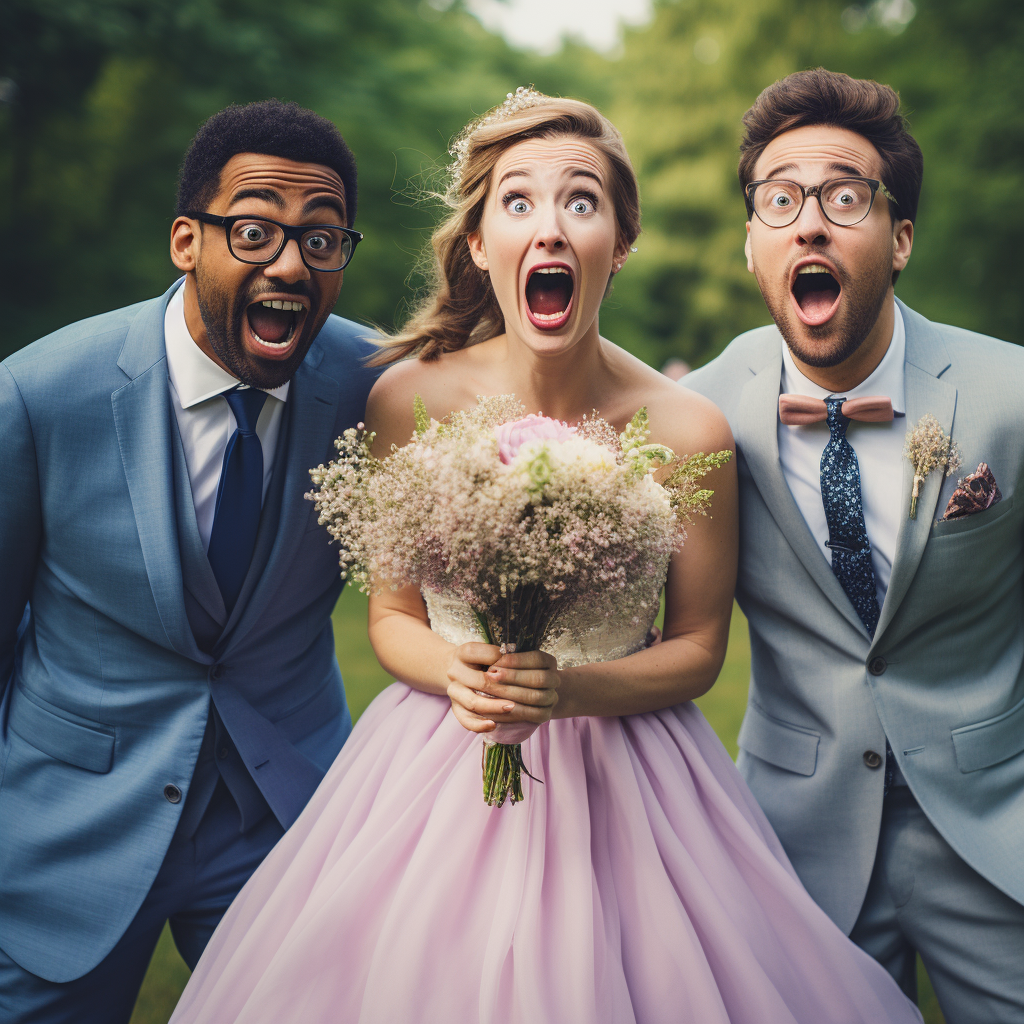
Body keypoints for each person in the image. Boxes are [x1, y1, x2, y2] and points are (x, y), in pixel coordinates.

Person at [170, 89, 919, 1024]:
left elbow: (696, 649)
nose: (551, 227)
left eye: (581, 201)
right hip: (434, 764)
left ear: (621, 238)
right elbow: (393, 620)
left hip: (636, 786)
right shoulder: (407, 398)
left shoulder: (689, 429)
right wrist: (467, 674)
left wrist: (566, 691)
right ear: (482, 245)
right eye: (517, 203)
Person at [0, 99, 379, 1022]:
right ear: (185, 241)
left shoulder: (378, 390)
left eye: (322, 239)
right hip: (71, 824)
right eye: (254, 231)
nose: (290, 263)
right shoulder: (41, 393)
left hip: (282, 819)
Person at [684, 68, 1024, 1022]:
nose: (811, 223)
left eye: (846, 195)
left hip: (1002, 836)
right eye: (780, 199)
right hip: (795, 850)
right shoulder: (697, 415)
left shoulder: (1012, 397)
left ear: (900, 238)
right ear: (755, 244)